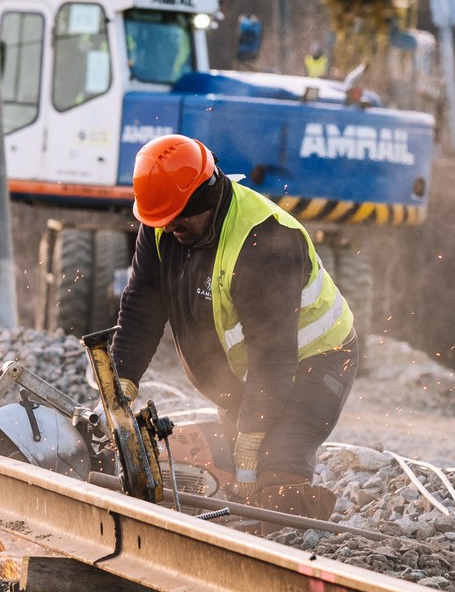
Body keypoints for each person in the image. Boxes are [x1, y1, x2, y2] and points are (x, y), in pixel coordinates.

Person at [108, 134, 356, 519]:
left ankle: (302, 530)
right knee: (225, 469)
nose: (170, 228)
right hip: (253, 373)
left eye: (177, 219)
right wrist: (121, 378)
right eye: (163, 220)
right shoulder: (163, 222)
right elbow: (142, 305)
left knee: (274, 468)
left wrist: (253, 436)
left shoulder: (265, 242)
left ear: (202, 199)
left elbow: (272, 355)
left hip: (319, 361)